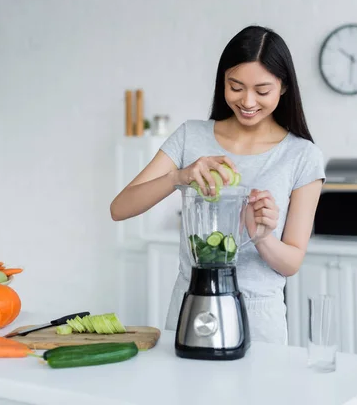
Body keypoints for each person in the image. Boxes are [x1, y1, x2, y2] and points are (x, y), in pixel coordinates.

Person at [110, 25, 325, 344]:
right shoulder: (190, 136)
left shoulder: (302, 155)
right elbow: (119, 208)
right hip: (190, 306)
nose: (247, 101)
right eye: (235, 86)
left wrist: (262, 236)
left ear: (283, 87)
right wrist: (179, 178)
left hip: (260, 318)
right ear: (222, 81)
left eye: (262, 90)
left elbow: (291, 262)